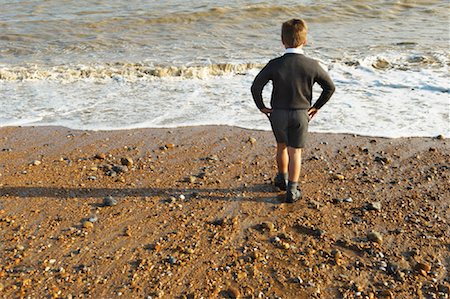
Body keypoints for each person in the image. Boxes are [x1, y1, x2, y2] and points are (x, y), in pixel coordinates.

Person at [251, 18, 335, 203]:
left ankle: (281, 178)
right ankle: (292, 189)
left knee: (281, 146)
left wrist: (262, 107)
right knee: (295, 152)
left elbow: (256, 86)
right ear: (305, 41)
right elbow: (330, 87)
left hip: (278, 114)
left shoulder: (275, 64)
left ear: (283, 41)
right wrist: (316, 107)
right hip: (301, 114)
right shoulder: (312, 64)